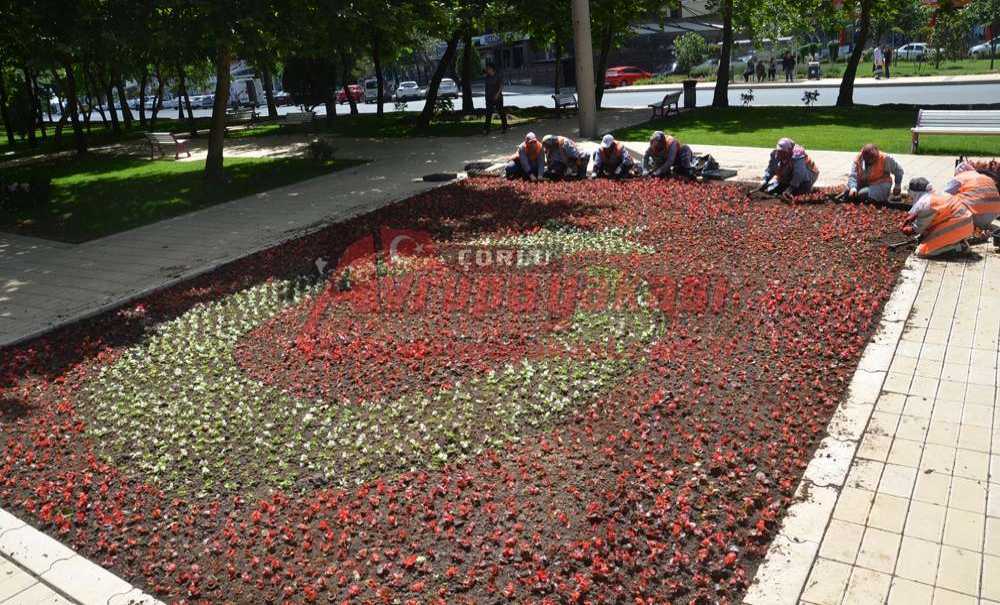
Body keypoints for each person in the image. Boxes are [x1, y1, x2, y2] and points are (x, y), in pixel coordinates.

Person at [901, 178, 974, 258]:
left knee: (922, 252)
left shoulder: (925, 204)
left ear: (915, 193)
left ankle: (959, 247)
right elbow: (935, 217)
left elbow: (919, 228)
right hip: (964, 223)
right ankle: (956, 241)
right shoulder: (935, 195)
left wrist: (910, 229)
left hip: (959, 226)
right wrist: (916, 215)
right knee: (926, 236)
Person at [944, 161, 1000, 229]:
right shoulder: (985, 178)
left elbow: (945, 197)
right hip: (994, 213)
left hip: (974, 214)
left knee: (952, 201)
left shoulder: (960, 177)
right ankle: (980, 226)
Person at [483, 64, 508, 134]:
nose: (487, 70)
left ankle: (504, 127)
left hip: (497, 97)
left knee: (501, 112)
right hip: (489, 98)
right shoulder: (487, 77)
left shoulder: (498, 76)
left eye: (488, 69)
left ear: (492, 69)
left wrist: (497, 94)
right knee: (488, 113)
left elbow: (501, 86)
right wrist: (486, 96)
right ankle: (486, 129)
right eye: (487, 69)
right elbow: (486, 88)